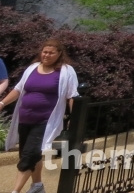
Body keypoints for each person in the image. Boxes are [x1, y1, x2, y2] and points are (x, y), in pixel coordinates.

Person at [1, 39, 79, 193]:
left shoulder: (66, 71)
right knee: (28, 153)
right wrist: (2, 103)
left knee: (29, 155)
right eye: (45, 52)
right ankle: (37, 186)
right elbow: (18, 89)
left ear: (59, 54)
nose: (47, 55)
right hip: (25, 119)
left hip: (45, 121)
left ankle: (15, 191)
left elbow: (72, 95)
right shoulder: (32, 68)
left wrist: (75, 118)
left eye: (51, 53)